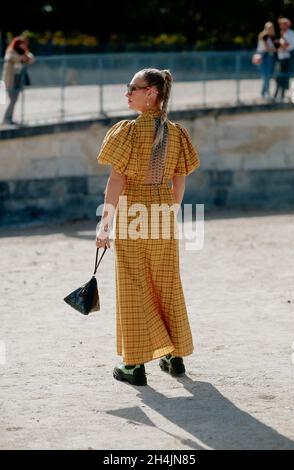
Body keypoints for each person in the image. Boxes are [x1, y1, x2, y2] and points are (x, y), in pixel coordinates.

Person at [95, 68, 200, 386]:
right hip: (163, 213)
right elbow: (179, 177)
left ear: (151, 92)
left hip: (132, 213)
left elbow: (117, 179)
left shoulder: (126, 131)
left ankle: (134, 364)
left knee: (133, 286)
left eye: (132, 88)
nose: (127, 93)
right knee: (167, 284)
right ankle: (174, 356)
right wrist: (170, 209)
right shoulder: (177, 132)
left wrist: (105, 224)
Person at [1, 35, 35, 125]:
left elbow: (31, 59)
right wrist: (23, 57)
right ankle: (6, 119)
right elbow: (13, 58)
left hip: (18, 79)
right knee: (12, 100)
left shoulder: (22, 52)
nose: (23, 46)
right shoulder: (11, 51)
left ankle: (9, 119)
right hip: (9, 80)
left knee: (14, 99)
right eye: (21, 44)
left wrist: (26, 52)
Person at [274, 17, 294, 101]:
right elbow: (279, 45)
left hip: (286, 58)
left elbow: (291, 46)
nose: (281, 26)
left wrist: (283, 46)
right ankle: (276, 94)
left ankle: (281, 95)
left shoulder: (291, 33)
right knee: (277, 77)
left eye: (282, 24)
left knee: (283, 76)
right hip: (279, 57)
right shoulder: (281, 33)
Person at [255, 22, 276, 99]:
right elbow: (267, 48)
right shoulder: (264, 35)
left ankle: (264, 93)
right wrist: (277, 49)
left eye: (272, 28)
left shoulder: (269, 36)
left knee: (267, 76)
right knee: (266, 76)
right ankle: (266, 93)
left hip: (267, 57)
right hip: (263, 57)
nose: (271, 29)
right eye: (270, 28)